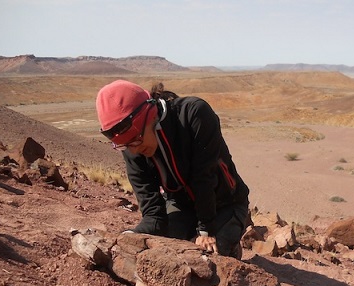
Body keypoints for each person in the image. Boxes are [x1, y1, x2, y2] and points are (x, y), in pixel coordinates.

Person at [95, 79, 250, 258]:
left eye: (136, 140)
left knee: (207, 258)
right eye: (124, 146)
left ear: (151, 115)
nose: (135, 150)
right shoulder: (131, 146)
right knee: (165, 253)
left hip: (225, 203)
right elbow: (153, 213)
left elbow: (203, 177)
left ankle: (231, 244)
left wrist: (206, 231)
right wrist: (132, 237)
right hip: (180, 205)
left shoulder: (194, 114)